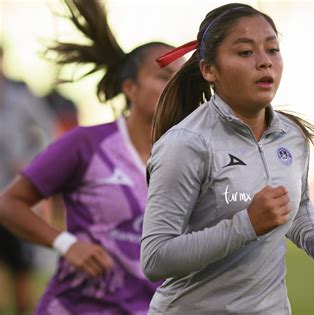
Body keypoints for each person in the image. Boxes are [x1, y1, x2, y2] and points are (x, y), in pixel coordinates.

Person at [141, 3, 314, 314]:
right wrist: (247, 225)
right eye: (245, 53)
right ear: (209, 70)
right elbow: (155, 258)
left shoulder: (292, 136)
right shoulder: (186, 144)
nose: (265, 62)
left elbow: (296, 210)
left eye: (272, 49)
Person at [0, 0, 182, 314]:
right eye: (161, 76)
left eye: (180, 80)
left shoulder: (189, 157)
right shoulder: (87, 144)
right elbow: (9, 204)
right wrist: (66, 244)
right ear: (130, 88)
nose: (172, 87)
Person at [0, 45, 55, 315]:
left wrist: (32, 165)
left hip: (12, 197)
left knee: (20, 273)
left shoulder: (21, 99)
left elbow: (49, 133)